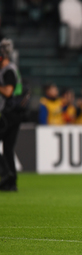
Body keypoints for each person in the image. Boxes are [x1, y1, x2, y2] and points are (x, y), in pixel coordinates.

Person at [0, 39, 24, 191]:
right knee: (8, 147)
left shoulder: (8, 70)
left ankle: (6, 173)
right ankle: (11, 182)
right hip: (14, 113)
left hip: (9, 114)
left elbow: (8, 92)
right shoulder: (11, 69)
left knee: (7, 147)